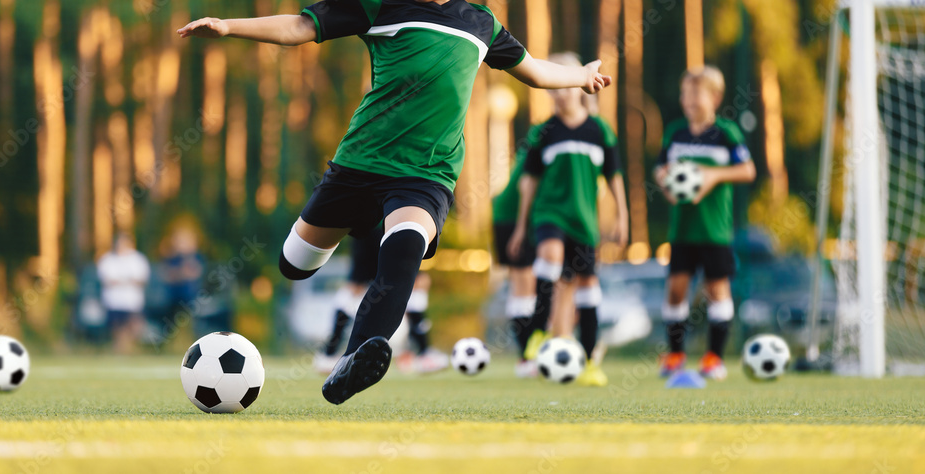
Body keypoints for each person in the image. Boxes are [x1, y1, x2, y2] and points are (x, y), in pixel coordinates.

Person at [179, 0, 611, 404]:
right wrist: (229, 27)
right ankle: (361, 226)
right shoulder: (380, 5)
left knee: (406, 246)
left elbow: (533, 70)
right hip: (360, 165)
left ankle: (351, 361)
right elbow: (299, 26)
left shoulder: (480, 22)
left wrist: (582, 76)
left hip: (425, 176)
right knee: (294, 264)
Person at [507, 52, 628, 387]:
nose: (560, 93)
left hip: (584, 222)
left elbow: (614, 177)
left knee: (588, 287)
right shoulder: (543, 132)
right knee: (550, 255)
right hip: (549, 214)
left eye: (566, 85)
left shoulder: (599, 131)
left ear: (579, 86)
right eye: (554, 87)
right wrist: (520, 226)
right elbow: (528, 183)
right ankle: (537, 332)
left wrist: (623, 215)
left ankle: (589, 360)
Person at [653, 66, 756, 380]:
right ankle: (675, 355)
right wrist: (667, 185)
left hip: (714, 231)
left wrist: (713, 176)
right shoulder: (675, 133)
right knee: (676, 290)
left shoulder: (726, 133)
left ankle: (714, 358)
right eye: (685, 93)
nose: (689, 100)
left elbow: (747, 170)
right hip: (682, 230)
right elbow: (660, 169)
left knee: (717, 290)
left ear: (714, 97)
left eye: (696, 93)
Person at [313, 228, 446, 375]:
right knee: (356, 288)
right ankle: (328, 354)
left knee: (417, 281)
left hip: (391, 227)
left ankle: (420, 351)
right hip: (375, 227)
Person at [491, 137, 538, 377]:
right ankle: (526, 357)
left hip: (511, 217)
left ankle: (529, 354)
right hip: (512, 219)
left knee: (528, 286)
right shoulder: (543, 142)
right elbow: (526, 186)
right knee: (524, 286)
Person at [97, 233, 151, 354]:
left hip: (133, 302)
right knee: (117, 328)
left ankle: (130, 349)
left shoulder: (138, 259)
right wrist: (128, 280)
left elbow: (141, 280)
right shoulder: (108, 260)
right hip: (114, 302)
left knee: (134, 327)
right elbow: (107, 281)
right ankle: (120, 350)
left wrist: (121, 281)